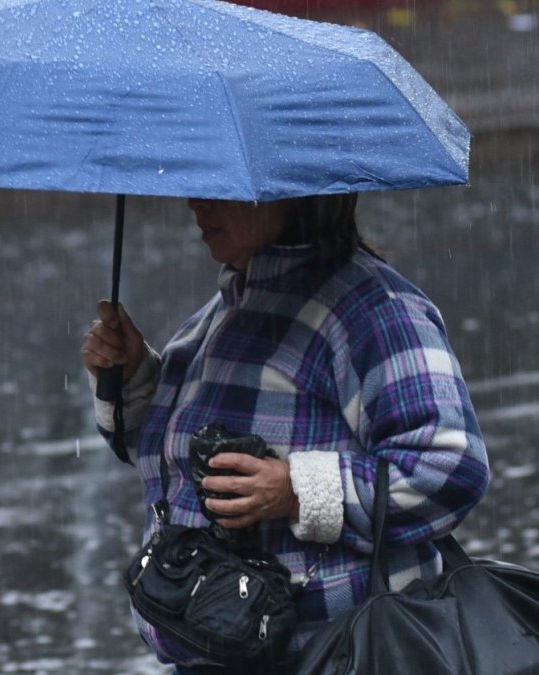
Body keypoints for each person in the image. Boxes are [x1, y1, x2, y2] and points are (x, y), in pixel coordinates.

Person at [80, 194, 490, 673]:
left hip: (344, 658)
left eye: (221, 192)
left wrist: (296, 490)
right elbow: (169, 464)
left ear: (293, 197)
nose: (196, 204)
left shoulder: (376, 312)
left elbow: (451, 468)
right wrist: (130, 376)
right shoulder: (221, 314)